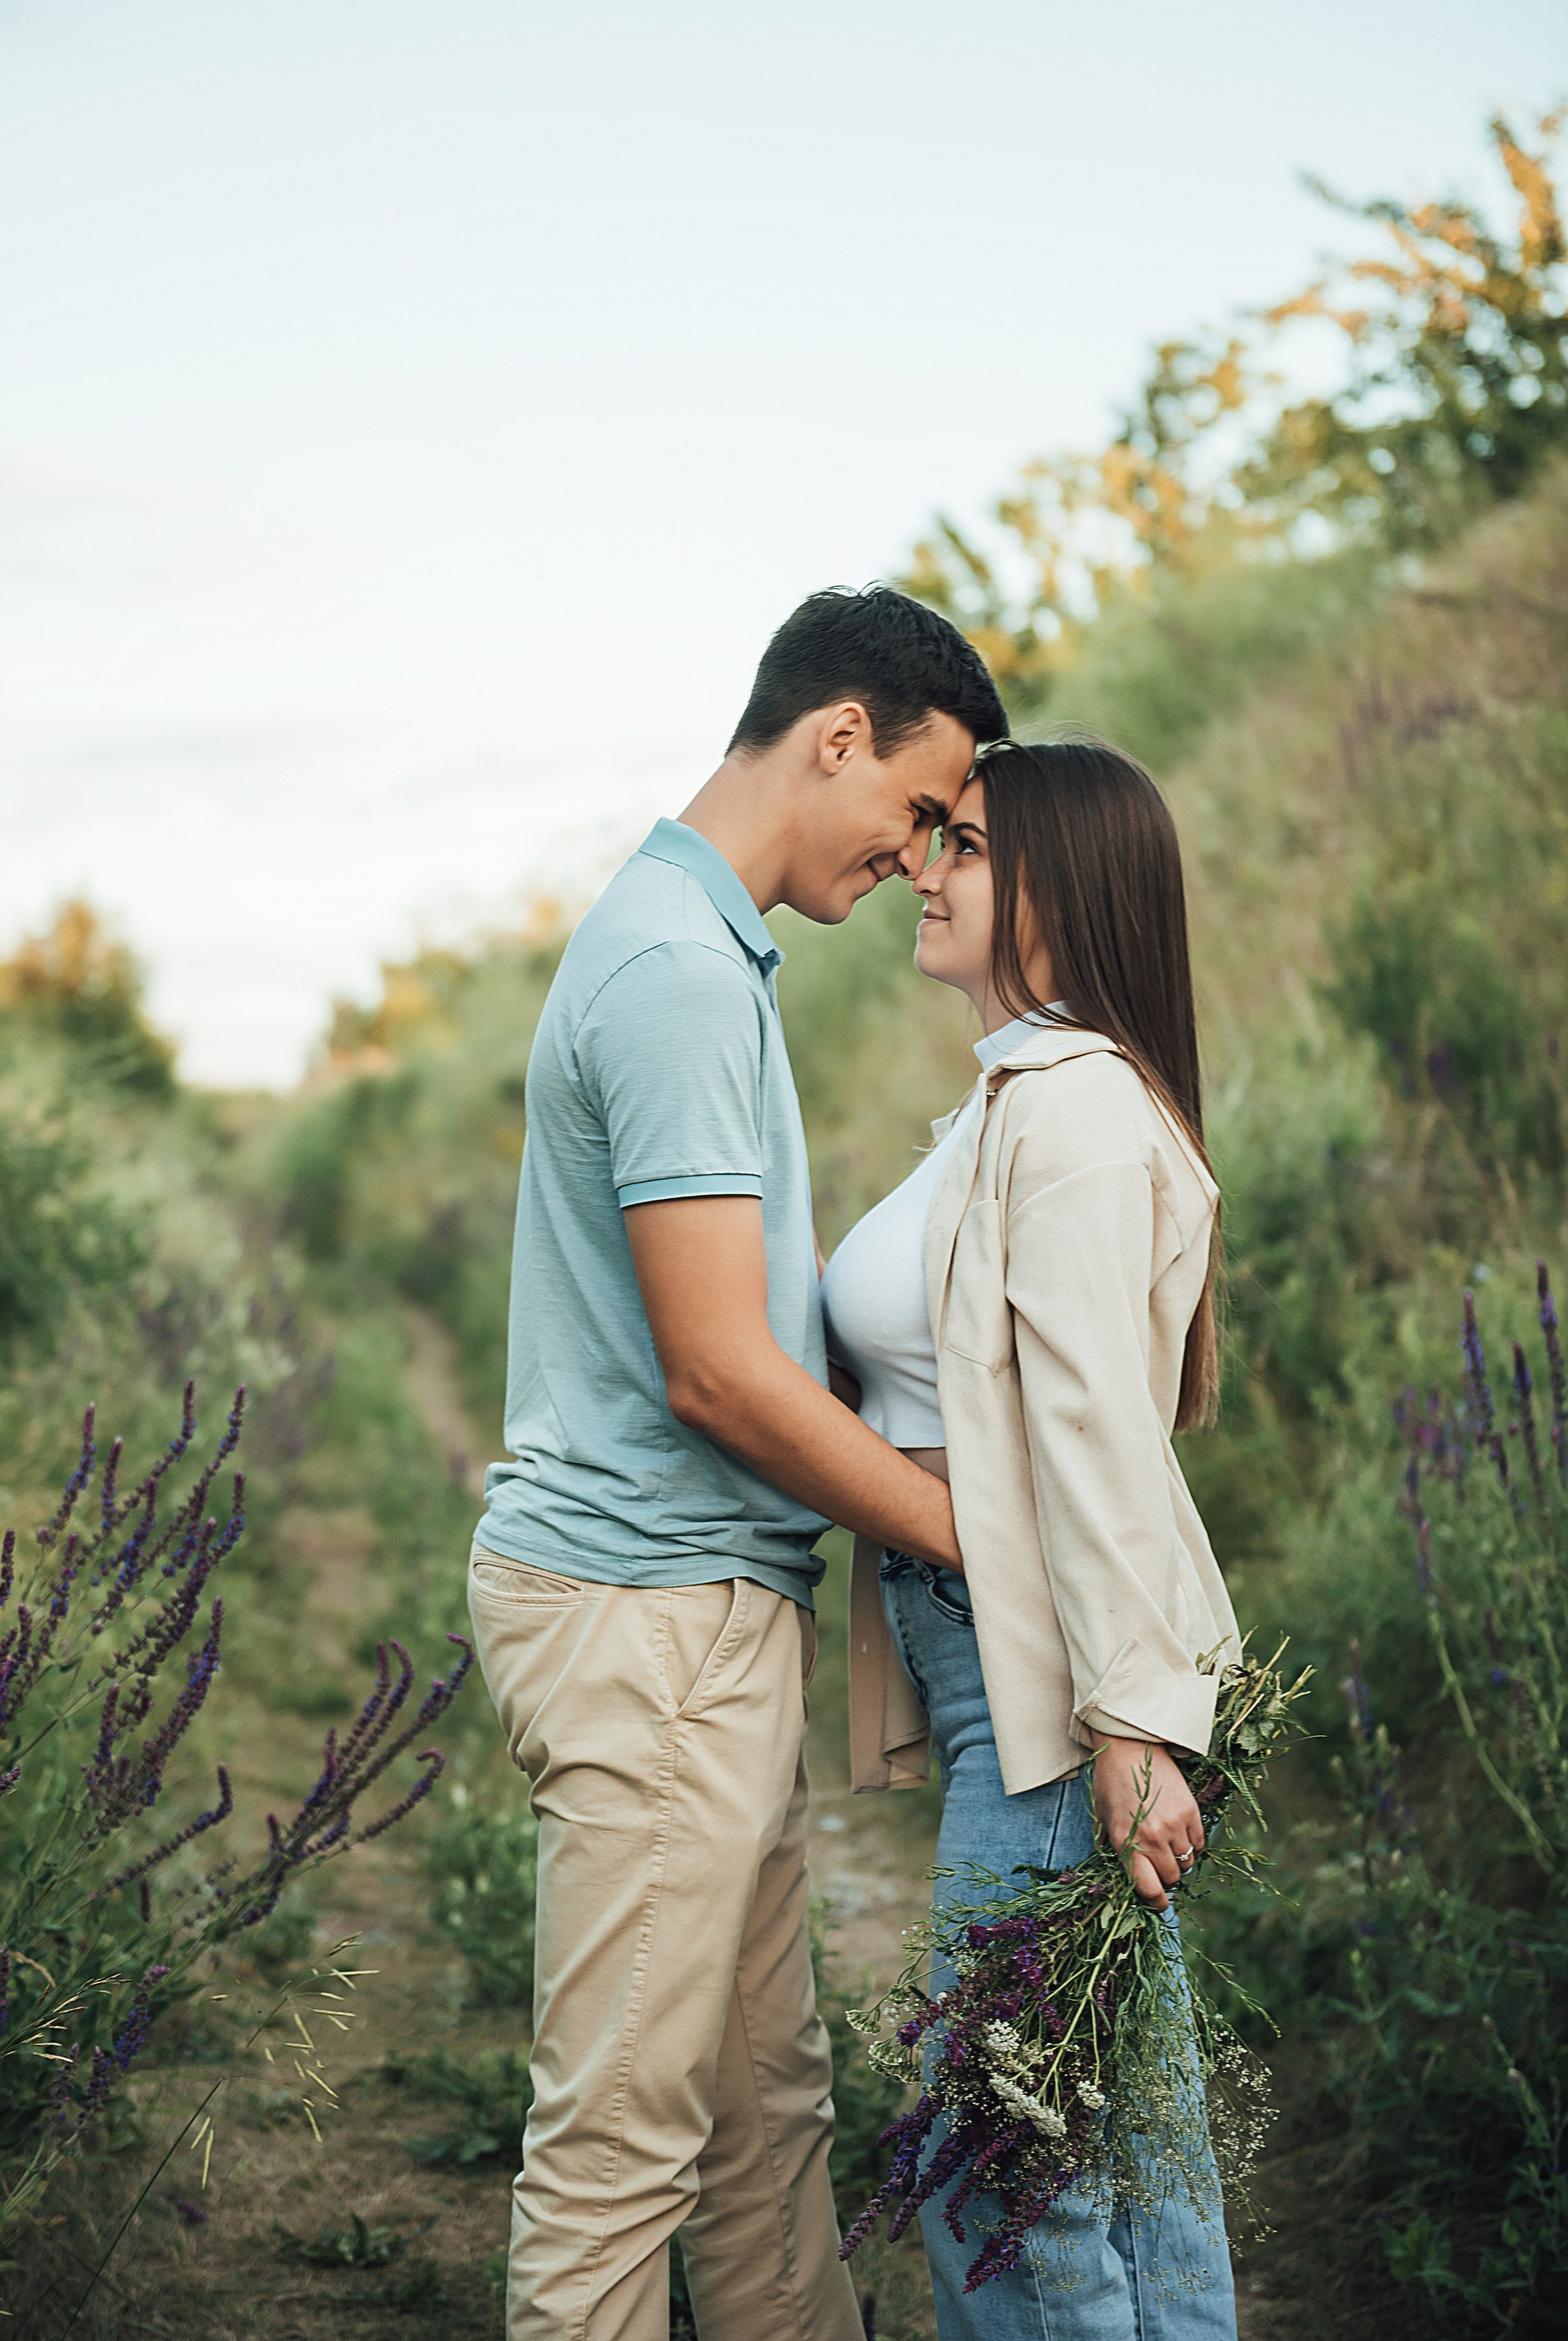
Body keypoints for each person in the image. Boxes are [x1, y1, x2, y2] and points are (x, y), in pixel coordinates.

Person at [469, 586, 1009, 2341]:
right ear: (837, 735)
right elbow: (714, 1369)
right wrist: (973, 1532)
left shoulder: (690, 943)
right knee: (621, 2155)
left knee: (764, 2125)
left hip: (696, 1619)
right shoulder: (680, 972)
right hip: (650, 1618)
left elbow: (735, 1324)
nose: (917, 858)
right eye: (918, 807)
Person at [823, 735, 1241, 2340]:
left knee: (1000, 2160)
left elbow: (1093, 1431)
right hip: (1005, 1658)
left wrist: (1126, 1724)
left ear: (1061, 894)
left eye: (970, 846)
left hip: (1048, 1683)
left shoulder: (1068, 1109)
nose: (925, 870)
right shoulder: (1014, 1097)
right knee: (1122, 2146)